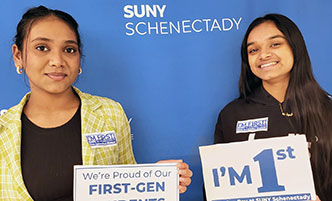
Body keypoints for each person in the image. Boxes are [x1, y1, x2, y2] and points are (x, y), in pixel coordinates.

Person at [0, 5, 192, 200]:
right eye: (42, 48)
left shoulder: (110, 113)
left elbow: (128, 190)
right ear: (18, 56)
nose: (57, 60)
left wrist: (157, 180)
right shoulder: (2, 129)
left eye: (69, 49)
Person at [214, 14, 331, 200]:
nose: (263, 55)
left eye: (275, 44)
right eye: (253, 50)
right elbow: (216, 190)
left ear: (295, 47)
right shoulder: (232, 115)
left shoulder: (328, 109)